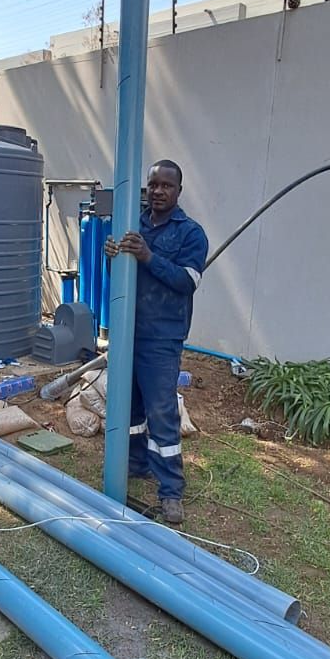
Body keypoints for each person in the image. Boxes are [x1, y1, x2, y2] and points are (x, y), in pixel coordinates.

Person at [105, 159, 208, 525]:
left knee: (161, 412)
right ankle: (135, 465)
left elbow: (187, 281)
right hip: (128, 331)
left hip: (162, 338)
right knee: (129, 408)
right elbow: (122, 277)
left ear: (179, 191)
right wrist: (112, 258)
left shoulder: (190, 233)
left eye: (167, 185)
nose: (159, 191)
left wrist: (148, 256)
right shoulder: (134, 225)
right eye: (154, 185)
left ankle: (170, 490)